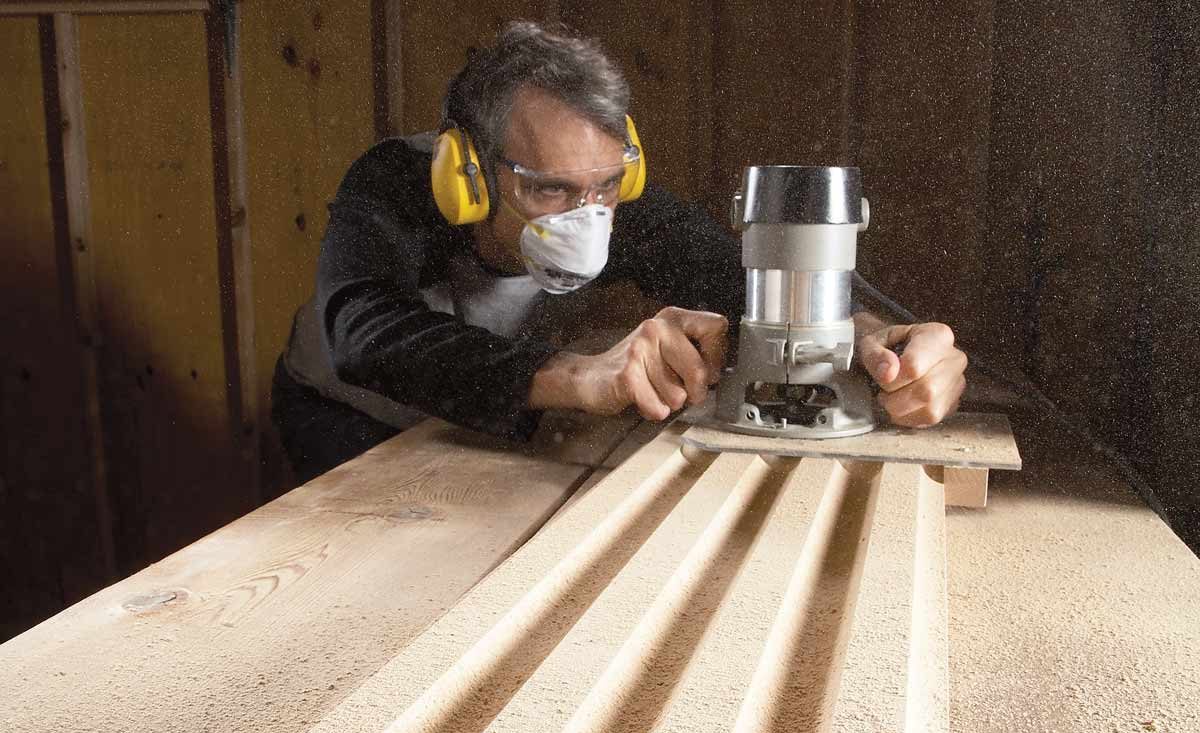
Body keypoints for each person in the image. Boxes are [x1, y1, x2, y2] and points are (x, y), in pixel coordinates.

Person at [272, 21, 967, 482]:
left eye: (606, 184)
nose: (588, 214)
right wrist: (584, 377)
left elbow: (728, 276)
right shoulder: (395, 181)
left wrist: (872, 341)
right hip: (352, 411)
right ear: (469, 176)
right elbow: (361, 333)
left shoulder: (608, 199)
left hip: (484, 411)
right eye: (549, 189)